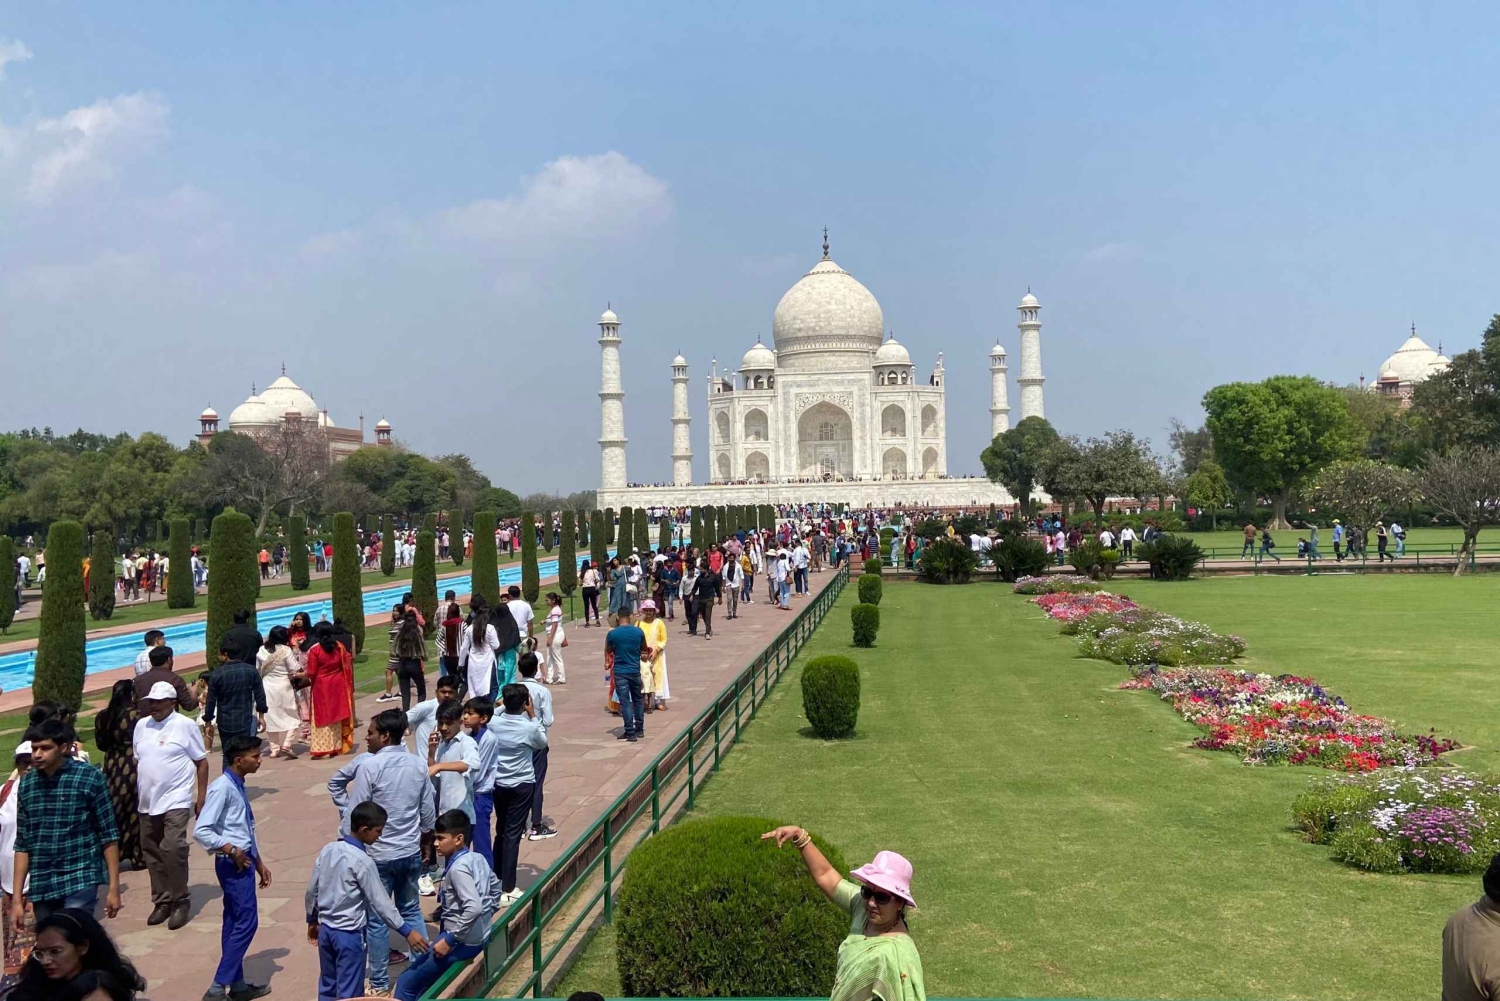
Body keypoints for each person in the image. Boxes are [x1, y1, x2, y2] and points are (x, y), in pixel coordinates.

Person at [327, 710, 436, 996]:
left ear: (386, 736)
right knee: (410, 909)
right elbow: (427, 813)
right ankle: (425, 973)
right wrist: (425, 838)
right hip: (409, 850)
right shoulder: (417, 764)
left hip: (378, 856)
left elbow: (356, 811)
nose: (368, 737)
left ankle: (378, 982)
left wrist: (344, 841)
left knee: (377, 918)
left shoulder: (371, 768)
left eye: (372, 733)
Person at [762, 825, 925, 1001]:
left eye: (882, 897)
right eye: (867, 891)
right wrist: (799, 835)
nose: (871, 902)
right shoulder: (863, 910)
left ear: (900, 903)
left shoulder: (899, 954)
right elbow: (827, 876)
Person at [305, 801, 429, 1001]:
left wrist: (311, 919)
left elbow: (312, 890)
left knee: (328, 985)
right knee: (350, 993)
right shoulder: (363, 861)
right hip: (349, 935)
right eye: (377, 831)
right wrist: (407, 931)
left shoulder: (328, 850)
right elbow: (381, 903)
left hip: (326, 931)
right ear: (364, 830)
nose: (379, 836)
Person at [11, 719, 121, 927]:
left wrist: (114, 888)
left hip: (80, 875)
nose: (37, 755)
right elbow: (23, 843)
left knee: (72, 934)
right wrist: (17, 899)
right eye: (34, 749)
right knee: (53, 943)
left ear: (63, 748)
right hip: (43, 882)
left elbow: (108, 834)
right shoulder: (27, 784)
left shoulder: (90, 778)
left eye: (45, 748)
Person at [193, 734, 271, 1001]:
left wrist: (258, 861)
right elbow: (202, 830)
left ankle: (237, 985)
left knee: (234, 921)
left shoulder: (238, 784)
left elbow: (244, 826)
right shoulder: (222, 788)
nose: (260, 760)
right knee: (248, 922)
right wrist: (232, 850)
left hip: (244, 861)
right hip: (233, 864)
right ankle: (218, 986)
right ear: (239, 760)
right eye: (255, 756)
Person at [393, 810, 500, 1001]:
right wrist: (486, 917)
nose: (435, 844)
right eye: (435, 838)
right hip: (478, 936)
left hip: (461, 943)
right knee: (425, 984)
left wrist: (450, 940)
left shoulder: (458, 869)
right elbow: (495, 889)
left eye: (440, 838)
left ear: (458, 839)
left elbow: (473, 907)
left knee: (406, 983)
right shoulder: (478, 859)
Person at [133, 682, 208, 931]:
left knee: (173, 847)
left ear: (172, 702)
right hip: (147, 801)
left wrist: (201, 795)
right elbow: (139, 759)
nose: (152, 706)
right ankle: (162, 900)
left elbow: (201, 762)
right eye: (150, 701)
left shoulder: (184, 726)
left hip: (176, 798)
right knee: (152, 851)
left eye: (158, 701)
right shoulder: (142, 726)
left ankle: (180, 899)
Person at [487, 684, 547, 905]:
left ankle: (497, 876)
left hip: (499, 783)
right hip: (521, 784)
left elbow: (496, 713)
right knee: (512, 834)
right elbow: (542, 741)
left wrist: (503, 706)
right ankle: (508, 887)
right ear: (525, 704)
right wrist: (532, 716)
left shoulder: (494, 723)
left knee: (501, 830)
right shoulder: (529, 727)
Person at [7, 909, 145, 1001]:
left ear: (82, 947)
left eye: (55, 951)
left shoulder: (100, 988)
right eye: (40, 953)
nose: (45, 961)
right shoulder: (33, 987)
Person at [91, 682, 144, 872]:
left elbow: (100, 744)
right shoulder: (137, 716)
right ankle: (138, 854)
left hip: (113, 764)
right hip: (134, 762)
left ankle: (115, 851)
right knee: (136, 809)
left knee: (116, 806)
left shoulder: (103, 717)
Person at [0, 743, 35, 994]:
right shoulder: (5, 793)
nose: (30, 766)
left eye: (33, 761)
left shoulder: (50, 793)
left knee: (31, 947)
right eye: (24, 762)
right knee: (12, 943)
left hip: (39, 883)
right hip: (8, 883)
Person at [203, 644, 267, 768]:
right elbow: (260, 695)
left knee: (228, 753)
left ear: (226, 654)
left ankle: (229, 781)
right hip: (245, 718)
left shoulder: (217, 674)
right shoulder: (250, 670)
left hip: (225, 720)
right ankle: (238, 781)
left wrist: (208, 721)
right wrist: (261, 716)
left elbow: (211, 701)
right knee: (243, 753)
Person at [516, 656, 557, 842]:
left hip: (516, 740)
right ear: (536, 670)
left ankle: (519, 823)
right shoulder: (542, 691)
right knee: (536, 782)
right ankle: (536, 824)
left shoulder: (513, 690)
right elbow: (548, 720)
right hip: (536, 740)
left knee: (518, 780)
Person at [304, 624, 355, 759]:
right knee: (336, 715)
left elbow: (311, 672)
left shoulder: (315, 650)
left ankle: (322, 748)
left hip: (321, 686)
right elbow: (348, 660)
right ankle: (336, 746)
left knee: (322, 716)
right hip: (338, 684)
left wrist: (298, 675)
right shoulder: (339, 647)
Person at [463, 697, 502, 869]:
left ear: (483, 718)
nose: (465, 717)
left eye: (470, 714)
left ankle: (488, 881)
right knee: (463, 840)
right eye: (465, 713)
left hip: (480, 796)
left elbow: (478, 773)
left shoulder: (488, 739)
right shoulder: (467, 737)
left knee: (481, 842)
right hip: (467, 794)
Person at [428, 702, 479, 823]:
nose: (444, 728)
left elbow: (473, 764)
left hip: (461, 816)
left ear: (460, 722)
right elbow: (434, 774)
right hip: (443, 814)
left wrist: (440, 766)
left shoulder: (467, 742)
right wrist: (431, 752)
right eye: (441, 723)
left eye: (449, 723)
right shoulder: (442, 744)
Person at [256, 626, 302, 760]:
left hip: (267, 687)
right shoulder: (285, 650)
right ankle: (287, 744)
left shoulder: (261, 650)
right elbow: (295, 668)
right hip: (283, 686)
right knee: (293, 715)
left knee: (270, 717)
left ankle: (274, 750)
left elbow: (258, 669)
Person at [605, 610, 652, 742]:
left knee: (625, 702)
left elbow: (609, 650)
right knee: (638, 700)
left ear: (618, 618)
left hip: (621, 671)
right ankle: (640, 729)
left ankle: (630, 732)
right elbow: (644, 650)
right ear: (630, 617)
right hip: (635, 670)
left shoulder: (613, 633)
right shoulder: (638, 632)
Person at [132, 646, 199, 712]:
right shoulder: (174, 679)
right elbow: (189, 706)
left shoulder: (137, 681)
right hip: (168, 721)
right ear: (169, 660)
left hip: (144, 721)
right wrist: (193, 691)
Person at [458, 599, 501, 699]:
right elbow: (496, 645)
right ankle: (488, 707)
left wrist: (460, 664)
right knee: (492, 688)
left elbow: (464, 648)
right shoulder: (490, 628)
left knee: (475, 687)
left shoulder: (470, 628)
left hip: (474, 663)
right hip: (488, 662)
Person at [392, 609, 428, 712]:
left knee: (405, 693)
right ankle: (419, 711)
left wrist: (399, 654)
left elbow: (393, 649)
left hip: (402, 664)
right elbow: (423, 649)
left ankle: (406, 714)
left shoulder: (401, 632)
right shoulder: (418, 632)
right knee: (421, 690)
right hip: (414, 663)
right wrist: (424, 657)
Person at [639, 601, 669, 713]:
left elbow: (664, 640)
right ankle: (644, 702)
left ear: (654, 611)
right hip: (642, 655)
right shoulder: (639, 624)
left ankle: (658, 701)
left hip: (657, 654)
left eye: (650, 610)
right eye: (646, 610)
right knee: (644, 677)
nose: (648, 612)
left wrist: (656, 651)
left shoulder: (659, 623)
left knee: (658, 676)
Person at [542, 592, 567, 685]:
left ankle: (561, 678)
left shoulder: (555, 610)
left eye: (547, 600)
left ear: (553, 601)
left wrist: (550, 638)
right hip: (554, 635)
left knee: (556, 657)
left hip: (555, 635)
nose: (546, 602)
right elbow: (553, 620)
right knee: (550, 657)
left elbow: (555, 624)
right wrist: (545, 621)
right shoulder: (554, 609)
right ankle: (549, 678)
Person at [436, 601, 463, 682]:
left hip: (447, 656)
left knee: (452, 677)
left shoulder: (444, 626)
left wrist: (445, 648)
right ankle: (457, 694)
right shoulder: (462, 624)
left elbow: (438, 640)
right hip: (460, 656)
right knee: (461, 679)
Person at [607, 558, 629, 626]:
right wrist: (608, 572)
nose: (614, 562)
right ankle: (616, 615)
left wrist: (628, 564)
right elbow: (612, 578)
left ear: (618, 561)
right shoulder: (613, 570)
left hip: (624, 586)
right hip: (617, 586)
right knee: (616, 600)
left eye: (615, 560)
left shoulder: (624, 567)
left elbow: (631, 572)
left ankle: (625, 615)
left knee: (624, 600)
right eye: (613, 561)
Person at [722, 553, 741, 620]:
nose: (731, 559)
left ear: (734, 558)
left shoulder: (738, 566)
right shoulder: (725, 566)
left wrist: (743, 585)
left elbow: (742, 575)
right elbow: (724, 577)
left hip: (736, 584)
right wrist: (723, 586)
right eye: (730, 558)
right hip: (728, 584)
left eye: (732, 558)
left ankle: (734, 612)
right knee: (729, 599)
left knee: (735, 600)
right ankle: (729, 613)